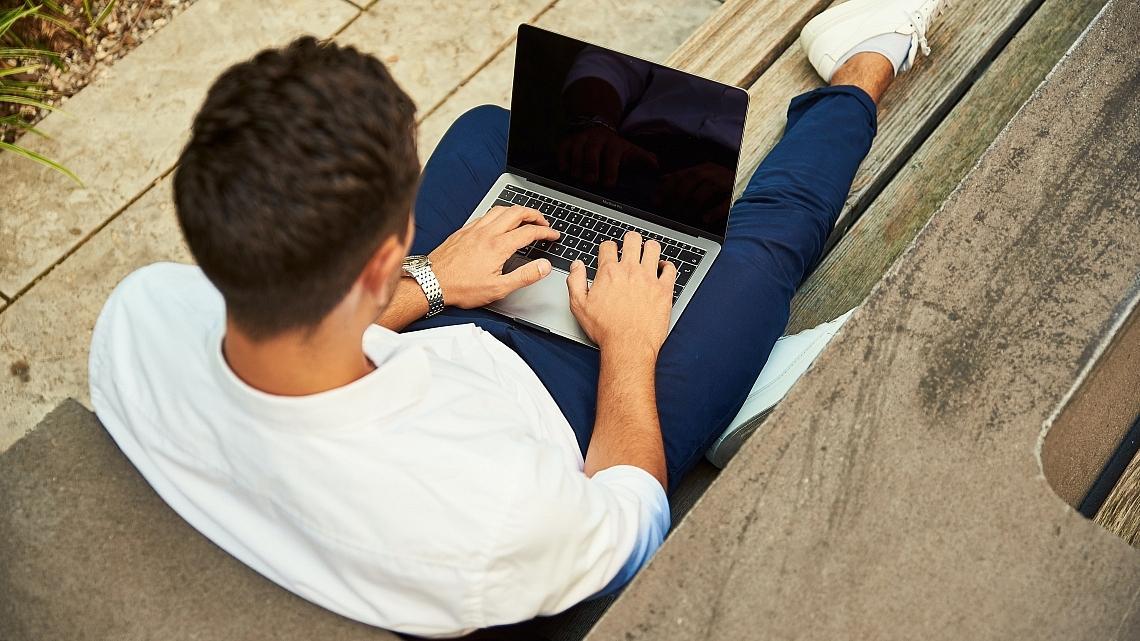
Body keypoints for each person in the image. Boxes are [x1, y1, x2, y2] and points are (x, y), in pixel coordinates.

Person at [88, 0, 947, 637]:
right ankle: (867, 57)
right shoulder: (496, 516)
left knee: (486, 134)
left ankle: (717, 329)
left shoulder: (141, 316)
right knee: (765, 241)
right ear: (378, 258)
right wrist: (630, 344)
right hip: (572, 410)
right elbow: (634, 521)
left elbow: (298, 341)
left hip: (419, 341)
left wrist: (431, 280)